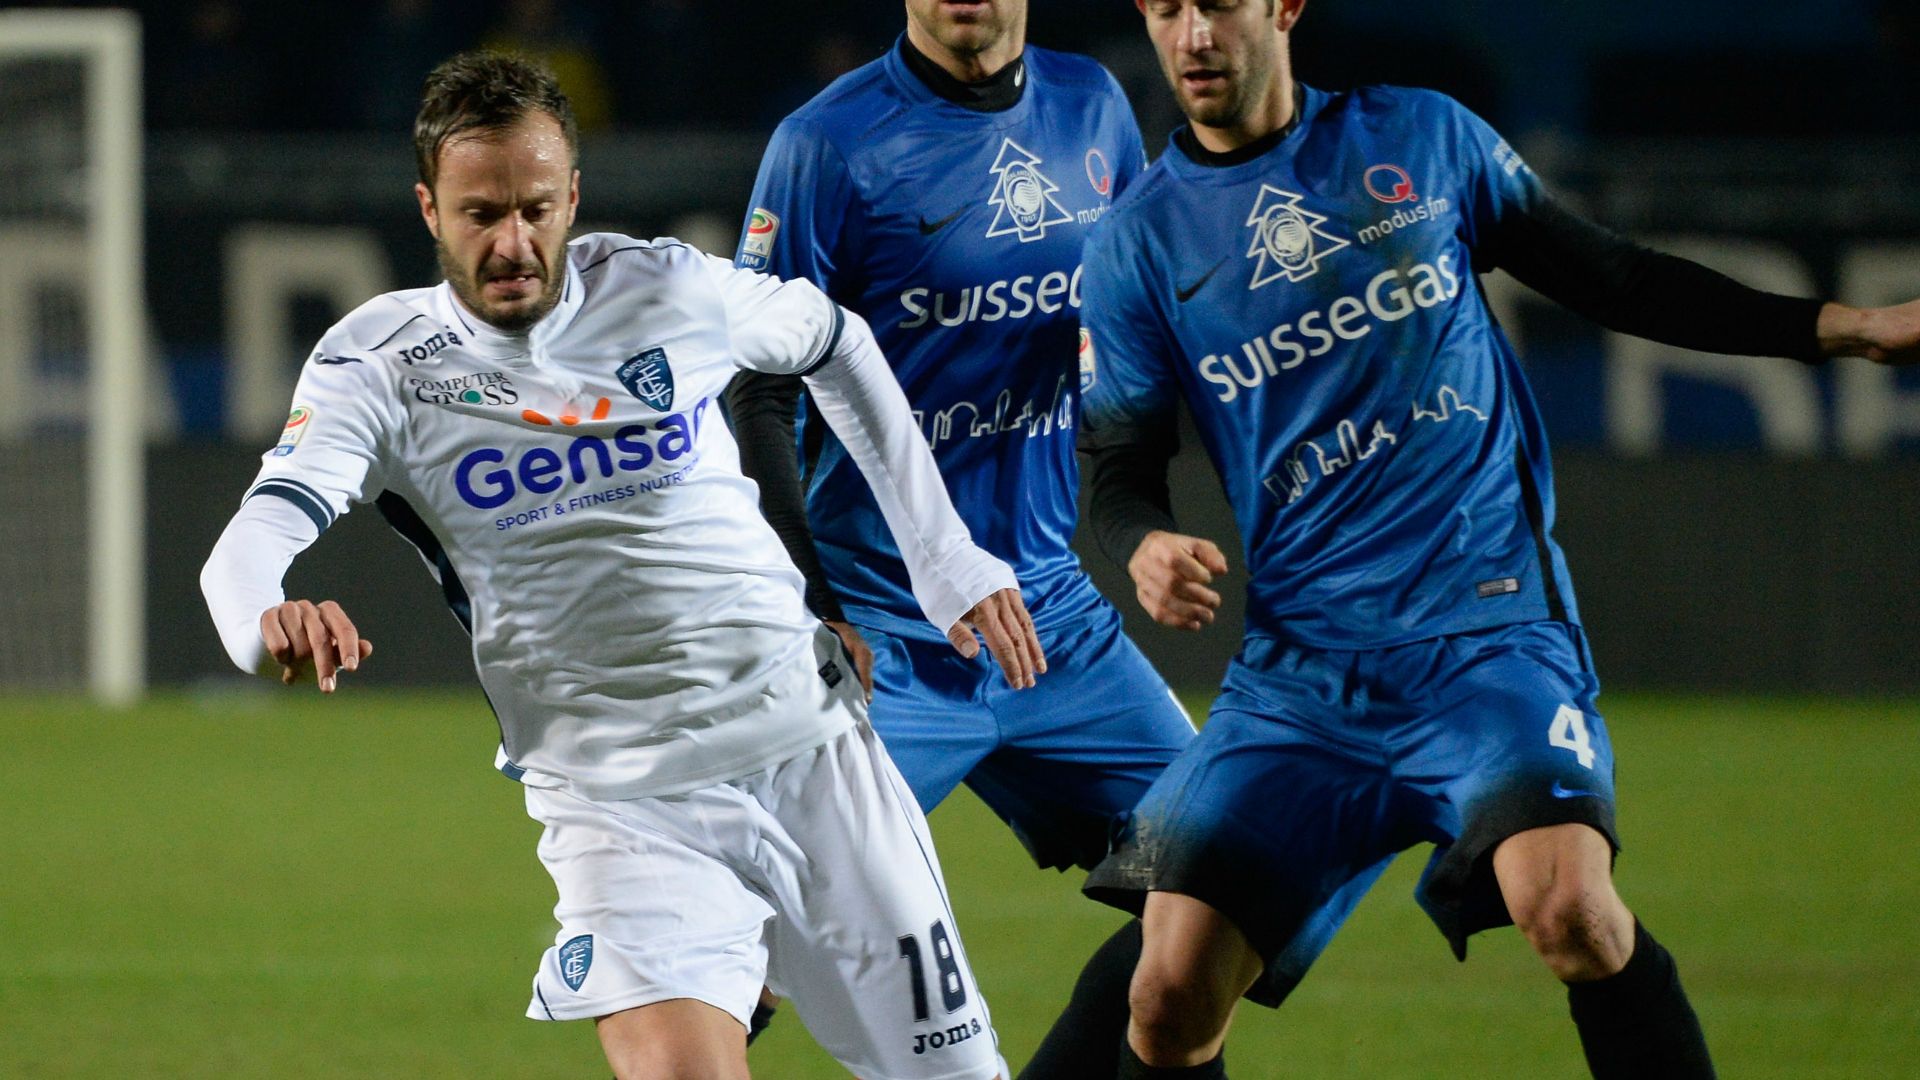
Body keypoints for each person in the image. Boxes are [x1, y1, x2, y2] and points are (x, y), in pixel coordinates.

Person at [1075, 2, 1920, 1078]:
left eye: (1219, 4)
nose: (1193, 35)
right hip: (1299, 679)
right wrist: (1143, 542)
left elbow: (1615, 277)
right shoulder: (1138, 239)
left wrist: (1845, 328)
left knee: (1572, 912)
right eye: (1166, 8)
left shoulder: (1422, 137)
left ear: (1283, 7)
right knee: (1165, 996)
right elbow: (1120, 462)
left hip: (1490, 635)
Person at [199, 52, 1047, 1080]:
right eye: (480, 215)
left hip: (813, 751)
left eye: (535, 210)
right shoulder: (378, 365)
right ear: (428, 210)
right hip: (622, 804)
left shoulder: (666, 288)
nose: (513, 244)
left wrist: (945, 557)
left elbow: (837, 341)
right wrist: (264, 623)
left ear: (572, 197)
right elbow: (247, 545)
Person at [724, 2, 1268, 1071]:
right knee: (734, 950)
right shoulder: (826, 144)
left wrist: (1140, 525)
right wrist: (813, 605)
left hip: (1048, 616)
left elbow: (1125, 330)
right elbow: (758, 390)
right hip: (881, 637)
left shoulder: (1091, 105)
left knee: (1234, 880)